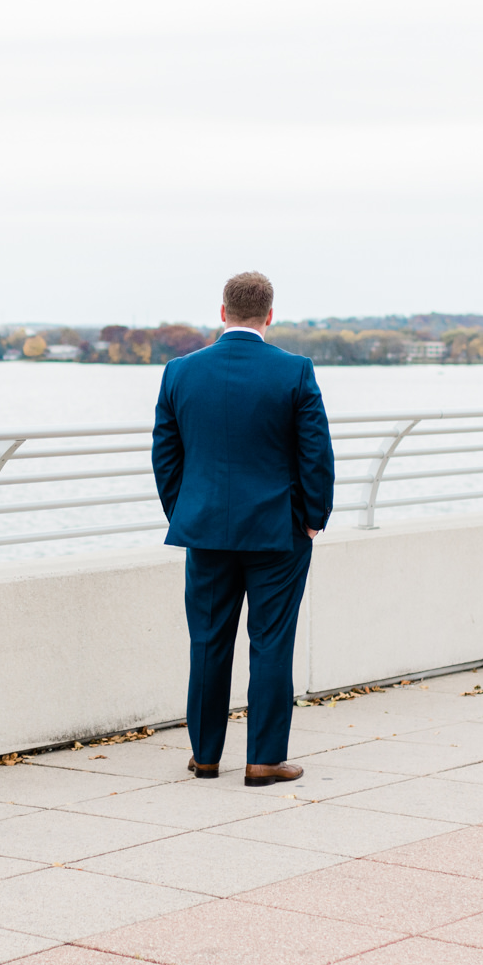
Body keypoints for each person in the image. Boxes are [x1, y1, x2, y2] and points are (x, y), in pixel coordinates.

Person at [150, 271, 335, 786]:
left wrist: (186, 513)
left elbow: (166, 457)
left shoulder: (180, 372)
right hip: (279, 532)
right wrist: (314, 518)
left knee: (207, 641)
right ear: (269, 315)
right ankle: (263, 759)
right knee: (271, 642)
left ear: (224, 311)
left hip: (205, 529)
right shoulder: (295, 371)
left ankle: (205, 756)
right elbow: (315, 455)